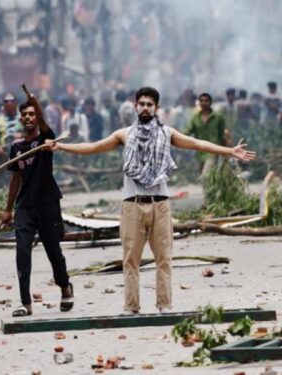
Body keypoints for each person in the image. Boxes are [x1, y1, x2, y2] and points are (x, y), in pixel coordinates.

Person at [50, 87, 255, 314]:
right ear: (136, 106)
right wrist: (60, 146)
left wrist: (230, 151)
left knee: (164, 258)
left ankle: (164, 306)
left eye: (150, 104)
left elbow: (198, 144)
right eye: (142, 104)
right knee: (130, 259)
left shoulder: (167, 133)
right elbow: (92, 147)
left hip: (160, 203)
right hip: (132, 204)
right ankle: (131, 307)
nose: (145, 107)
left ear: (156, 108)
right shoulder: (124, 135)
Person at [1, 100, 74, 317]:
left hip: (48, 204)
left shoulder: (46, 139)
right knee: (22, 252)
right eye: (25, 114)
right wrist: (8, 209)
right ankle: (26, 303)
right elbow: (15, 179)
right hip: (25, 206)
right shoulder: (16, 147)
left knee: (53, 251)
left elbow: (43, 123)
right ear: (20, 118)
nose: (28, 117)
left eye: (32, 114)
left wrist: (37, 104)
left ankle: (65, 287)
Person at [0, 93, 23, 193]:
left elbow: (34, 134)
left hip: (21, 155)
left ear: (16, 103)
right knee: (1, 184)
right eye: (6, 101)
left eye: (11, 101)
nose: (9, 103)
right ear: (3, 104)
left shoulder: (24, 118)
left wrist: (22, 136)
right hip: (2, 156)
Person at [184, 92, 227, 176]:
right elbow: (187, 131)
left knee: (206, 175)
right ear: (199, 103)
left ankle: (208, 189)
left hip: (213, 150)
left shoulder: (218, 117)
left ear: (210, 102)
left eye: (206, 100)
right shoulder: (195, 118)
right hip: (200, 151)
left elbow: (222, 135)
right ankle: (210, 189)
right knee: (203, 176)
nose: (204, 103)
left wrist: (225, 152)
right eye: (202, 101)